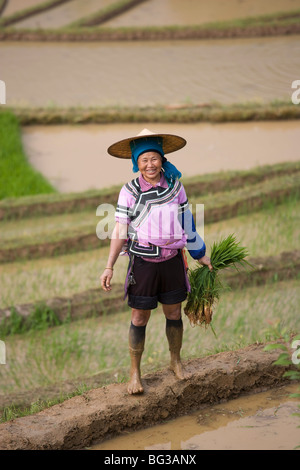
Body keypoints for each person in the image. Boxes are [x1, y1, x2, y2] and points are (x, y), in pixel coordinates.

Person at [100, 129, 212, 395]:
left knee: (173, 313)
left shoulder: (175, 186)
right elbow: (120, 229)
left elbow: (188, 223)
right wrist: (109, 265)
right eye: (143, 160)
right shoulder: (129, 191)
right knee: (139, 316)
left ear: (162, 159)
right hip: (144, 263)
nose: (149, 165)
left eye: (154, 158)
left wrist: (200, 253)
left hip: (172, 260)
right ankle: (135, 373)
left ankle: (175, 361)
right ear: (136, 163)